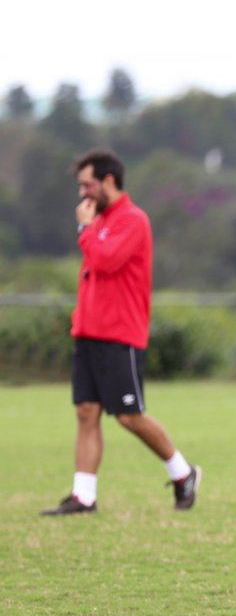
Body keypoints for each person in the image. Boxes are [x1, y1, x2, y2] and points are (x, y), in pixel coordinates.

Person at [41, 150, 201, 516]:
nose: (82, 193)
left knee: (129, 415)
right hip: (88, 332)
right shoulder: (101, 220)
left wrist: (85, 228)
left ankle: (183, 473)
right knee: (86, 411)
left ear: (108, 181)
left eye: (87, 184)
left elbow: (105, 260)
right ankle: (84, 496)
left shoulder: (132, 220)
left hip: (120, 335)